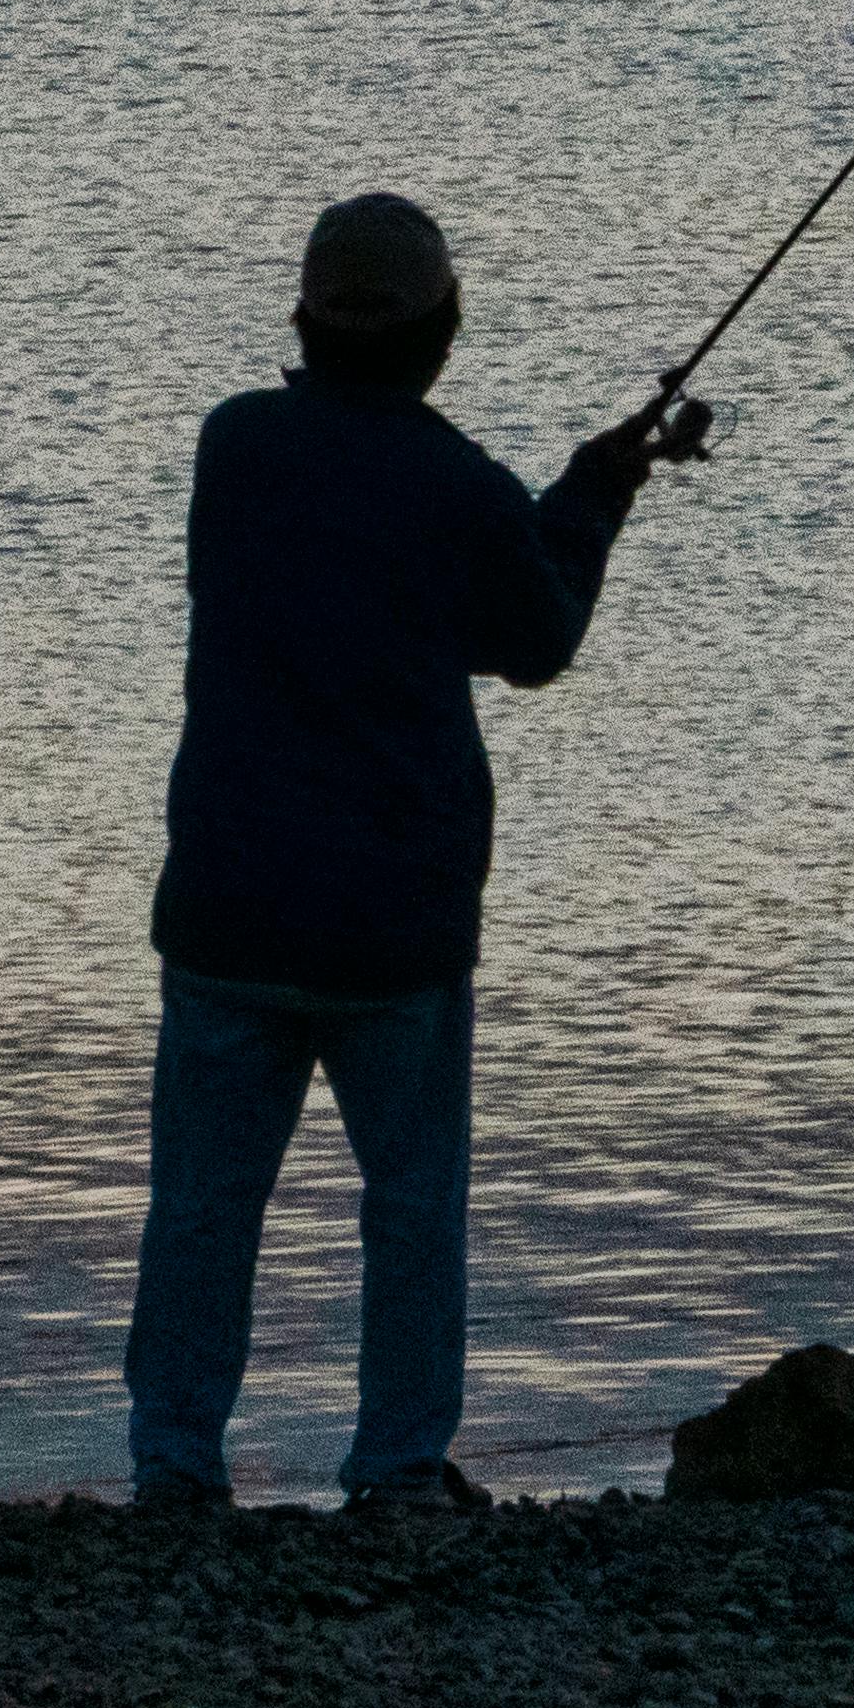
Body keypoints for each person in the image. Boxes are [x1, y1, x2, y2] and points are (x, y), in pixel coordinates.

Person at [123, 190, 697, 1511]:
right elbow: (534, 637)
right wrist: (596, 494)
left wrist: (570, 493)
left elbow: (395, 560)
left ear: (303, 323)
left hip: (230, 908)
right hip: (396, 926)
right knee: (412, 1208)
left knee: (203, 1206)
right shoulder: (462, 489)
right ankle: (394, 1469)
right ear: (447, 333)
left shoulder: (236, 447)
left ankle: (174, 1460)